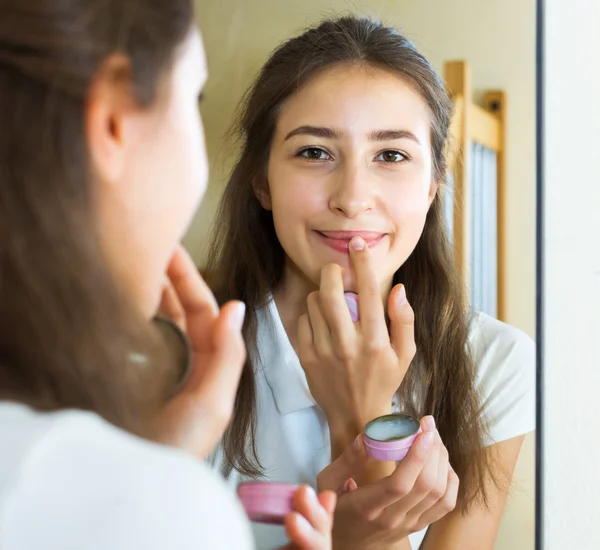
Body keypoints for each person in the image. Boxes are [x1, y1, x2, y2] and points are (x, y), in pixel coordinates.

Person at [0, 1, 334, 549]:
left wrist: (157, 467)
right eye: (193, 99)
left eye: (392, 155)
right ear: (113, 119)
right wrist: (158, 493)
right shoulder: (152, 510)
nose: (352, 199)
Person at [206, 15, 536, 550]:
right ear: (261, 181)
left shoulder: (496, 362)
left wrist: (361, 419)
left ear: (433, 186)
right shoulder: (177, 353)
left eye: (391, 155)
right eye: (314, 152)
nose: (353, 197)